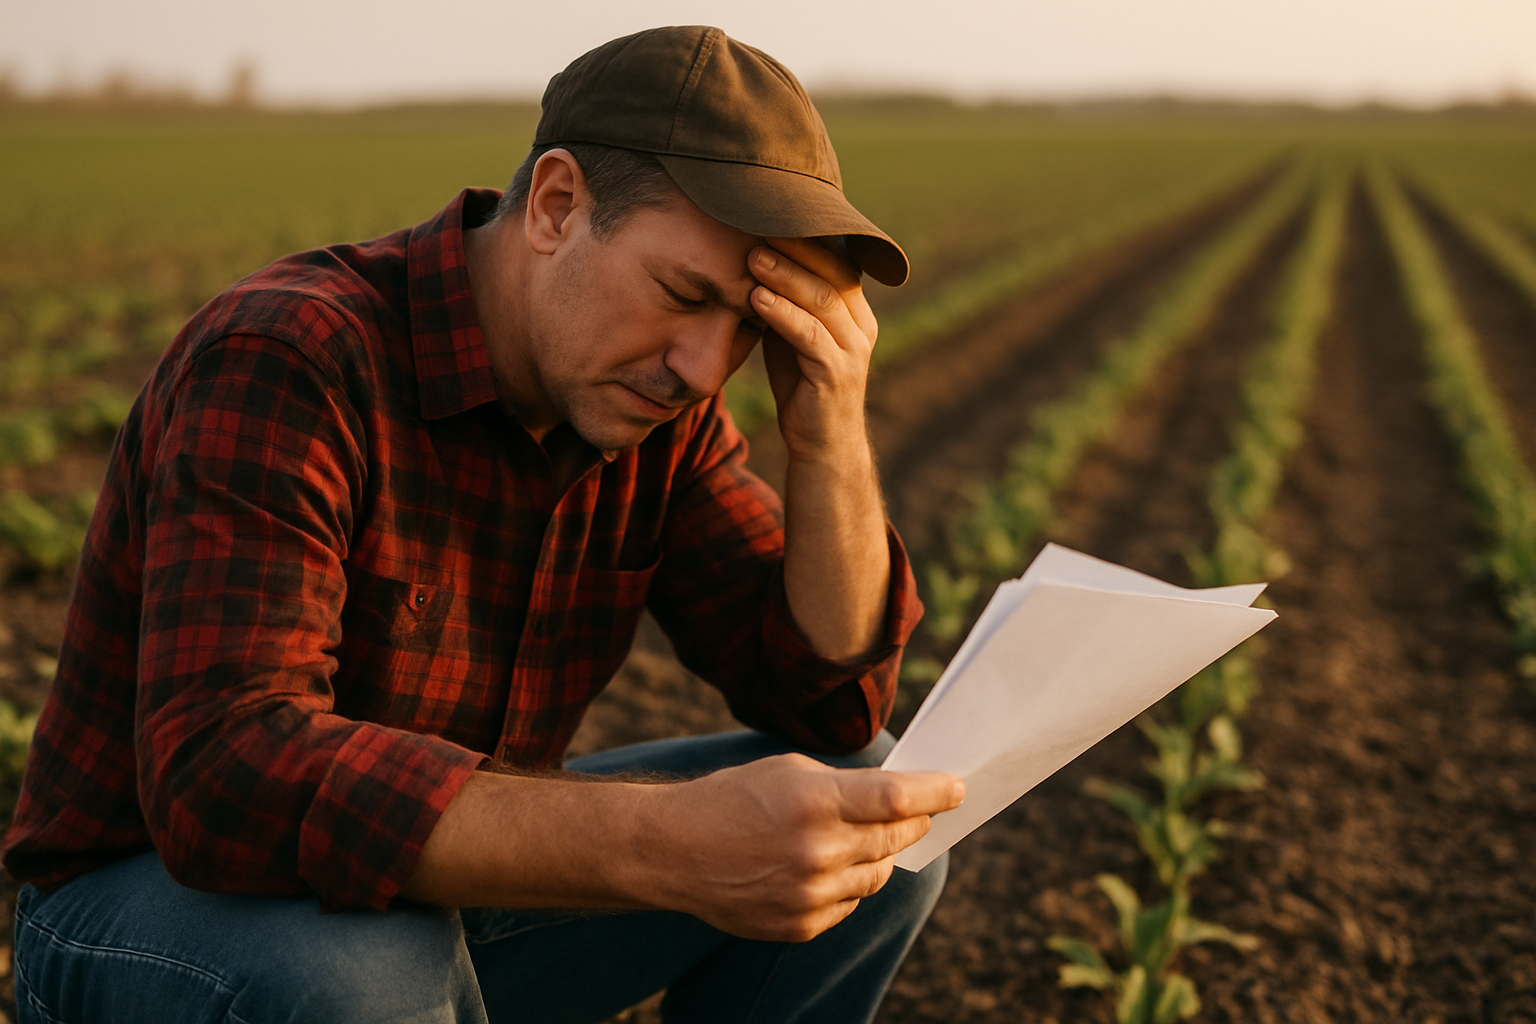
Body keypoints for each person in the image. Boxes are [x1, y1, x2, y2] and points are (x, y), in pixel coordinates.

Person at [3, 25, 963, 1024]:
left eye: (750, 325)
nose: (703, 367)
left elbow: (829, 700)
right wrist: (667, 843)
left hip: (429, 918)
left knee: (867, 833)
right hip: (148, 921)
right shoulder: (293, 356)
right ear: (555, 206)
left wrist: (831, 439)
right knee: (364, 974)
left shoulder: (654, 413)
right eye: (684, 293)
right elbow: (227, 773)